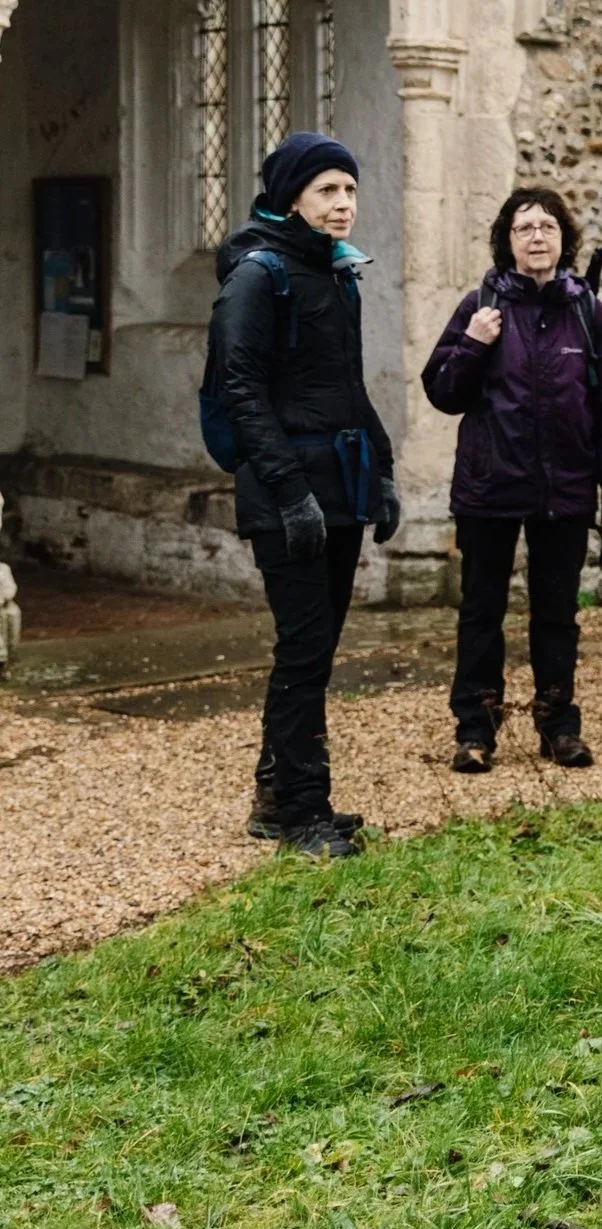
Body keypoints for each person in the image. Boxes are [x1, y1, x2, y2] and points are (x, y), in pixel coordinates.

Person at [210, 133, 398, 859]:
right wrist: (289, 492)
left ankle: (275, 797)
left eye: (349, 190)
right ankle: (304, 816)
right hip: (287, 491)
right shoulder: (259, 276)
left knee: (315, 651)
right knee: (303, 648)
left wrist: (380, 471)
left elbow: (347, 387)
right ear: (292, 198)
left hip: (339, 486)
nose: (343, 203)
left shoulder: (337, 273)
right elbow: (241, 388)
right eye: (327, 191)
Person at [420, 187, 602, 773]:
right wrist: (473, 345)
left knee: (556, 612)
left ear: (563, 239)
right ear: (507, 241)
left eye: (547, 227)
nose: (537, 237)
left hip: (563, 488)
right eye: (524, 228)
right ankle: (476, 729)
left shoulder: (589, 314)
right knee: (482, 609)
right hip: (490, 486)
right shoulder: (481, 306)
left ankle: (558, 726)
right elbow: (441, 392)